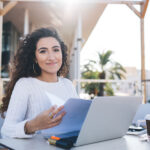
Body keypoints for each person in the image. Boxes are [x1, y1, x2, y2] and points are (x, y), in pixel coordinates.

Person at [0, 28, 78, 138]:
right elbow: (6, 131)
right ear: (34, 58)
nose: (51, 57)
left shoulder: (68, 85)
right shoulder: (25, 85)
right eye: (43, 51)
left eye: (56, 50)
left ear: (62, 54)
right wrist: (32, 125)